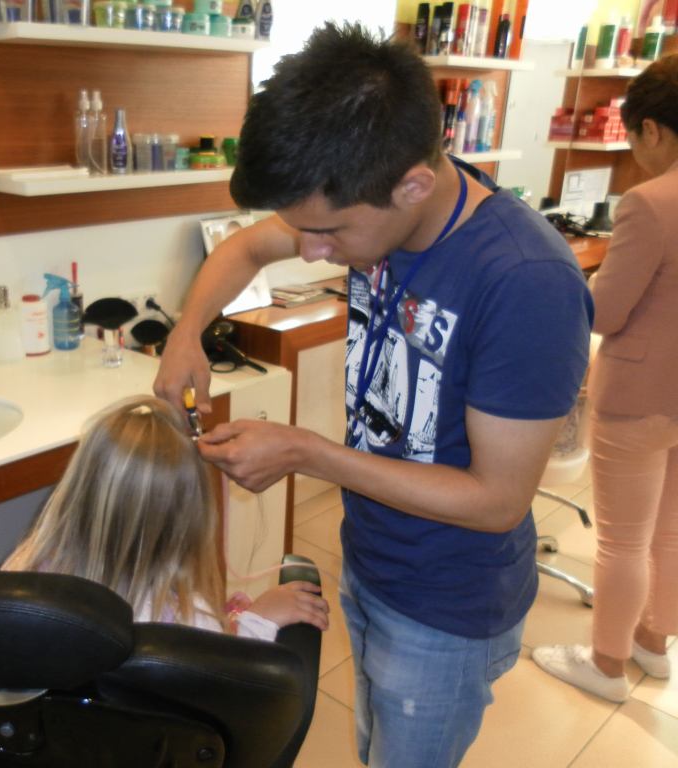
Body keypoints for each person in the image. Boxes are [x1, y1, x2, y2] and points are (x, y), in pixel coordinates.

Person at [153, 23, 592, 767]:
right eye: (304, 231)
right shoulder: (377, 195)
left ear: (413, 184)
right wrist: (187, 331)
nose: (311, 251)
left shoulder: (525, 282)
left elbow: (496, 501)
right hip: (373, 555)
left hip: (447, 603)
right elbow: (248, 245)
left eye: (329, 232)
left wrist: (307, 452)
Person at [533, 55, 678, 703]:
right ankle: (653, 643)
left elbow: (608, 312)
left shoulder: (650, 203)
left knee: (622, 540)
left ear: (653, 129)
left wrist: (586, 283)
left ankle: (606, 666)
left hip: (640, 396)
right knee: (671, 531)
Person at [3, 396, 330, 640]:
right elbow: (225, 685)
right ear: (190, 523)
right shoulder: (186, 623)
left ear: (78, 491)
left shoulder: (23, 576)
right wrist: (256, 622)